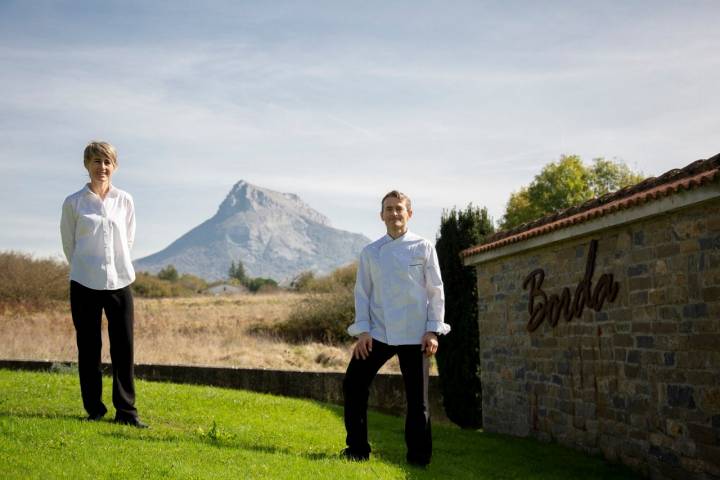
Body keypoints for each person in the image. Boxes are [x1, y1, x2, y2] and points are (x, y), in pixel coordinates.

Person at [342, 190, 450, 466]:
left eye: (399, 209)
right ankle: (356, 450)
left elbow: (436, 291)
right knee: (353, 384)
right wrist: (363, 332)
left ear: (409, 213)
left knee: (418, 402)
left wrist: (432, 330)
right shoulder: (371, 252)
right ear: (381, 216)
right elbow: (362, 293)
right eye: (389, 209)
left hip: (415, 335)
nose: (394, 214)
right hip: (378, 333)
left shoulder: (424, 247)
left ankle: (418, 459)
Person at [60, 141, 147, 428]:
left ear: (115, 166)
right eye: (97, 161)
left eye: (107, 162)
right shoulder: (73, 203)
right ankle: (94, 409)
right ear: (87, 165)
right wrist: (88, 268)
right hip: (84, 281)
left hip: (120, 281)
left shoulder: (125, 201)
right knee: (89, 347)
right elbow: (69, 245)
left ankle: (126, 412)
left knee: (124, 348)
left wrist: (113, 266)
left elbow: (129, 240)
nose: (102, 167)